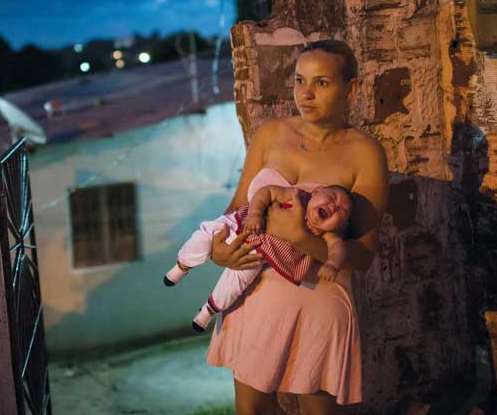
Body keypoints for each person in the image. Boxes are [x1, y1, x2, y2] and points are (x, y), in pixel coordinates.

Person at [206, 40, 389, 415]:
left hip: (318, 298)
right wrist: (217, 250)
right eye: (300, 80)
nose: (306, 94)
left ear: (350, 89)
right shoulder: (270, 135)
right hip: (255, 293)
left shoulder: (364, 153)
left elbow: (363, 255)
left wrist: (300, 237)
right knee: (252, 411)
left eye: (321, 83)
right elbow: (236, 209)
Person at [163, 182, 353, 332]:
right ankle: (181, 266)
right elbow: (267, 192)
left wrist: (332, 264)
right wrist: (255, 213)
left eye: (341, 212)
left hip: (257, 253)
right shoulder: (296, 196)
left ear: (341, 225)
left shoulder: (325, 233)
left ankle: (207, 311)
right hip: (237, 224)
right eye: (333, 197)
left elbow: (338, 249)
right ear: (318, 191)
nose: (333, 207)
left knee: (234, 286)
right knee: (203, 238)